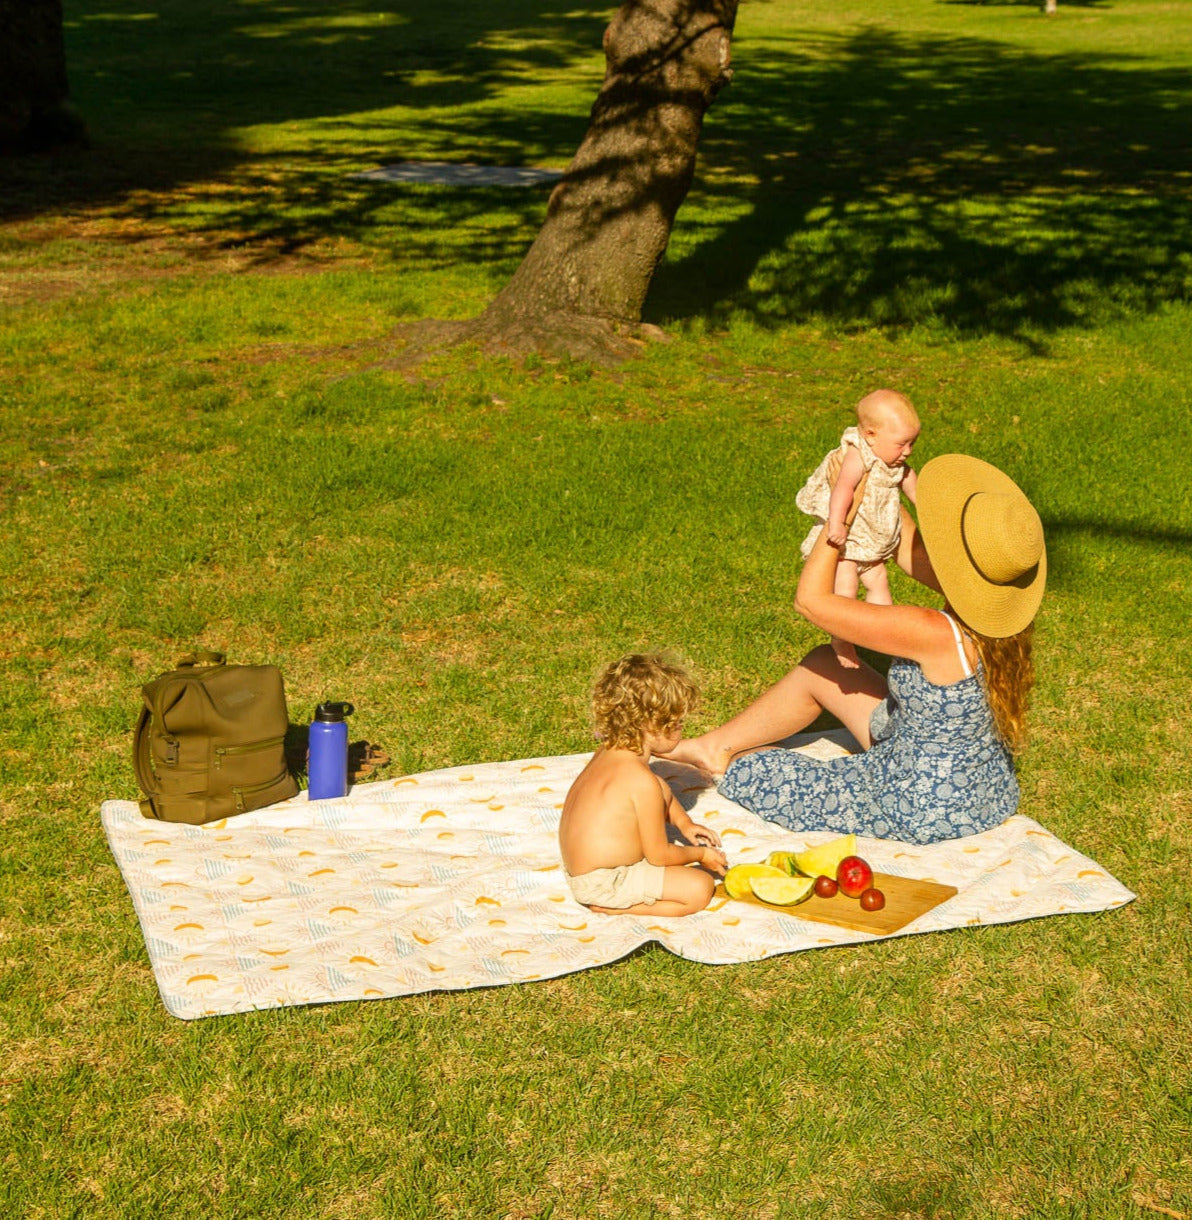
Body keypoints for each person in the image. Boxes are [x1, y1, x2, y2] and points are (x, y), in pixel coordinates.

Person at [663, 454, 1046, 845]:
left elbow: (812, 602)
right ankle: (711, 747)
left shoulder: (932, 632)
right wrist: (877, 482)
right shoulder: (1000, 608)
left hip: (922, 804)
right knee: (823, 664)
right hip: (979, 789)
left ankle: (724, 757)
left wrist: (840, 516)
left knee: (754, 769)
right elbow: (909, 552)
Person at [559, 654, 728, 916]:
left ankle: (611, 898)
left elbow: (659, 789)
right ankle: (615, 908)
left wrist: (684, 824)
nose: (682, 728)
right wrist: (701, 856)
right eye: (678, 722)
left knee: (658, 782)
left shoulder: (609, 752)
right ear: (652, 724)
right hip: (606, 881)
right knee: (700, 887)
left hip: (581, 869)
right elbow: (659, 856)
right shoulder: (641, 782)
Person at [796, 389, 921, 668]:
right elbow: (843, 488)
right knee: (846, 589)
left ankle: (885, 634)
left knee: (879, 583)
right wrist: (837, 522)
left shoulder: (894, 462)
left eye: (912, 443)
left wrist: (930, 509)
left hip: (873, 544)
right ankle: (841, 641)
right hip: (849, 543)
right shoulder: (857, 455)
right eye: (902, 444)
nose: (908, 451)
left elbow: (915, 488)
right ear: (870, 435)